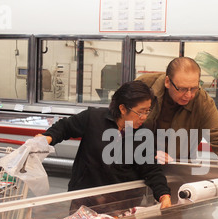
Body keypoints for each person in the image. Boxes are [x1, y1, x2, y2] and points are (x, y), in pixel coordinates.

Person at [38, 80, 172, 209]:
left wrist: (164, 195)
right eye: (140, 112)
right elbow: (65, 127)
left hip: (122, 205)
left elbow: (152, 170)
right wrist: (46, 138)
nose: (144, 117)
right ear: (123, 109)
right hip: (85, 201)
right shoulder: (93, 118)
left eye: (147, 111)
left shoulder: (142, 135)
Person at [136, 57, 218, 192]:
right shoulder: (143, 88)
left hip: (177, 170)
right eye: (183, 89)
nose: (189, 95)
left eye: (194, 88)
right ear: (168, 82)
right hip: (136, 170)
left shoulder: (201, 100)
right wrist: (149, 153)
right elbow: (120, 130)